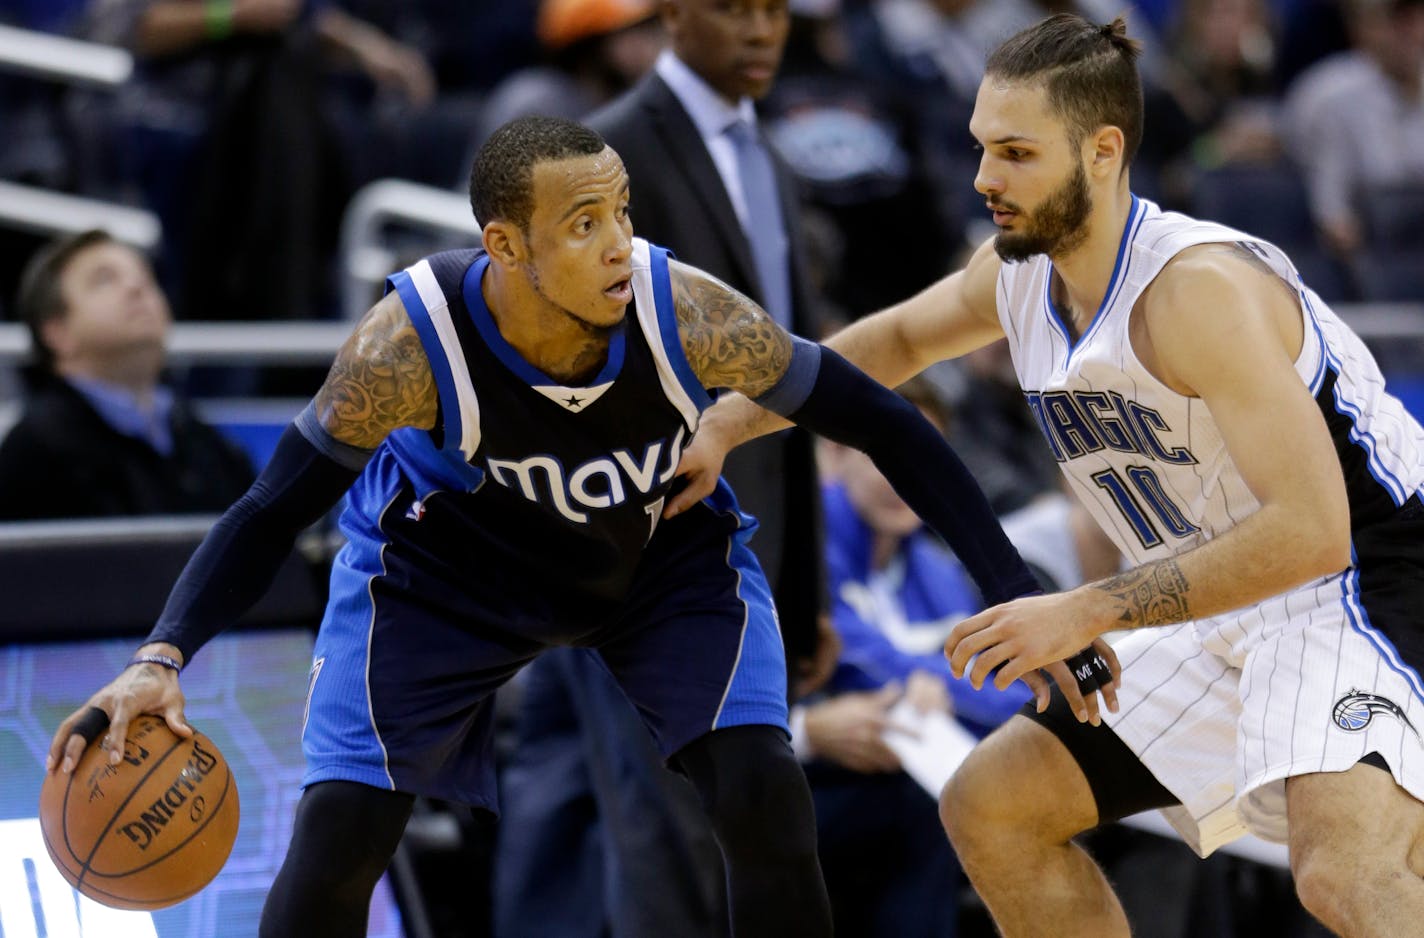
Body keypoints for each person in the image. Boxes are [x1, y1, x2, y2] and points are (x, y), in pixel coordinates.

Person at [45, 115, 1086, 938]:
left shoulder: (690, 314)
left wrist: (1012, 584)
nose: (619, 244)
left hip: (651, 559)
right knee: (340, 839)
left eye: (622, 212)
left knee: (764, 797)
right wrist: (162, 652)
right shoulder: (406, 347)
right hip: (442, 574)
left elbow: (883, 421)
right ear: (505, 244)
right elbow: (272, 506)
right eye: (582, 223)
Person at [670, 14, 1424, 936]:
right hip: (1226, 597)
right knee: (992, 805)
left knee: (1347, 874)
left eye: (1017, 153)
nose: (985, 177)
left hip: (1366, 582)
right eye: (982, 147)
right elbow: (894, 342)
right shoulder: (1018, 273)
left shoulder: (1196, 294)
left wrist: (1088, 607)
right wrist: (729, 422)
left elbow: (1311, 532)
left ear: (1102, 151)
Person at [587, 0, 827, 670]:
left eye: (774, 11)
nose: (759, 31)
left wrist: (809, 594)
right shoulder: (607, 151)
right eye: (731, 9)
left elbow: (793, 380)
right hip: (657, 553)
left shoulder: (771, 159)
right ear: (672, 13)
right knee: (656, 773)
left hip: (766, 540)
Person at [800, 378, 1030, 937]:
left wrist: (939, 686)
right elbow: (857, 660)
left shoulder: (938, 570)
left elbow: (1017, 690)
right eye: (884, 456)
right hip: (798, 772)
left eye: (922, 458)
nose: (903, 478)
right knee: (936, 810)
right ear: (834, 453)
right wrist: (949, 682)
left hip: (896, 779)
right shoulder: (803, 540)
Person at [0, 229, 254, 520]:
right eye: (105, 279)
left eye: (146, 276)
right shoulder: (36, 449)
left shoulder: (201, 437)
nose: (136, 287)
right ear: (57, 333)